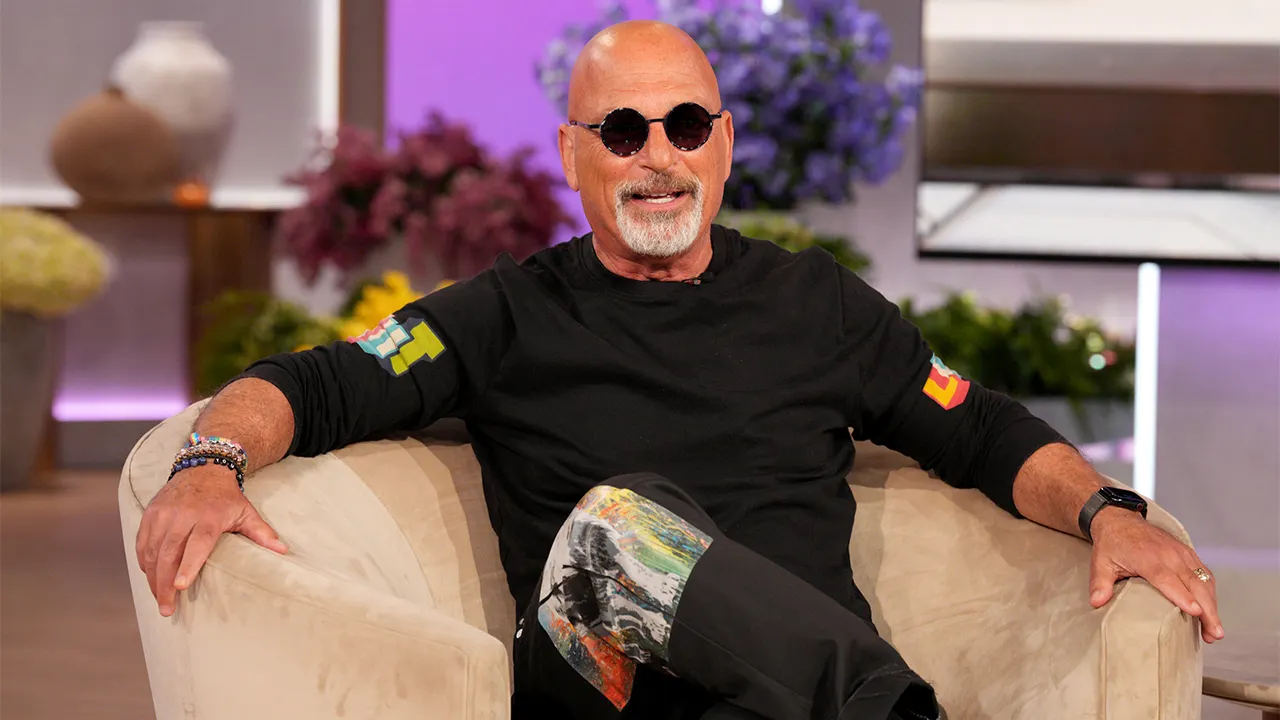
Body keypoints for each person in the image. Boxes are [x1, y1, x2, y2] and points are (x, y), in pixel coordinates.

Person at [135, 20, 1223, 720]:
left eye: (686, 125)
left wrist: (1107, 511)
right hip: (605, 688)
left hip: (783, 702)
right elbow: (314, 382)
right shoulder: (504, 313)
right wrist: (211, 460)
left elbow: (976, 424)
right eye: (622, 130)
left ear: (723, 144)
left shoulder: (817, 304)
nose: (658, 155)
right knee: (618, 527)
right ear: (572, 155)